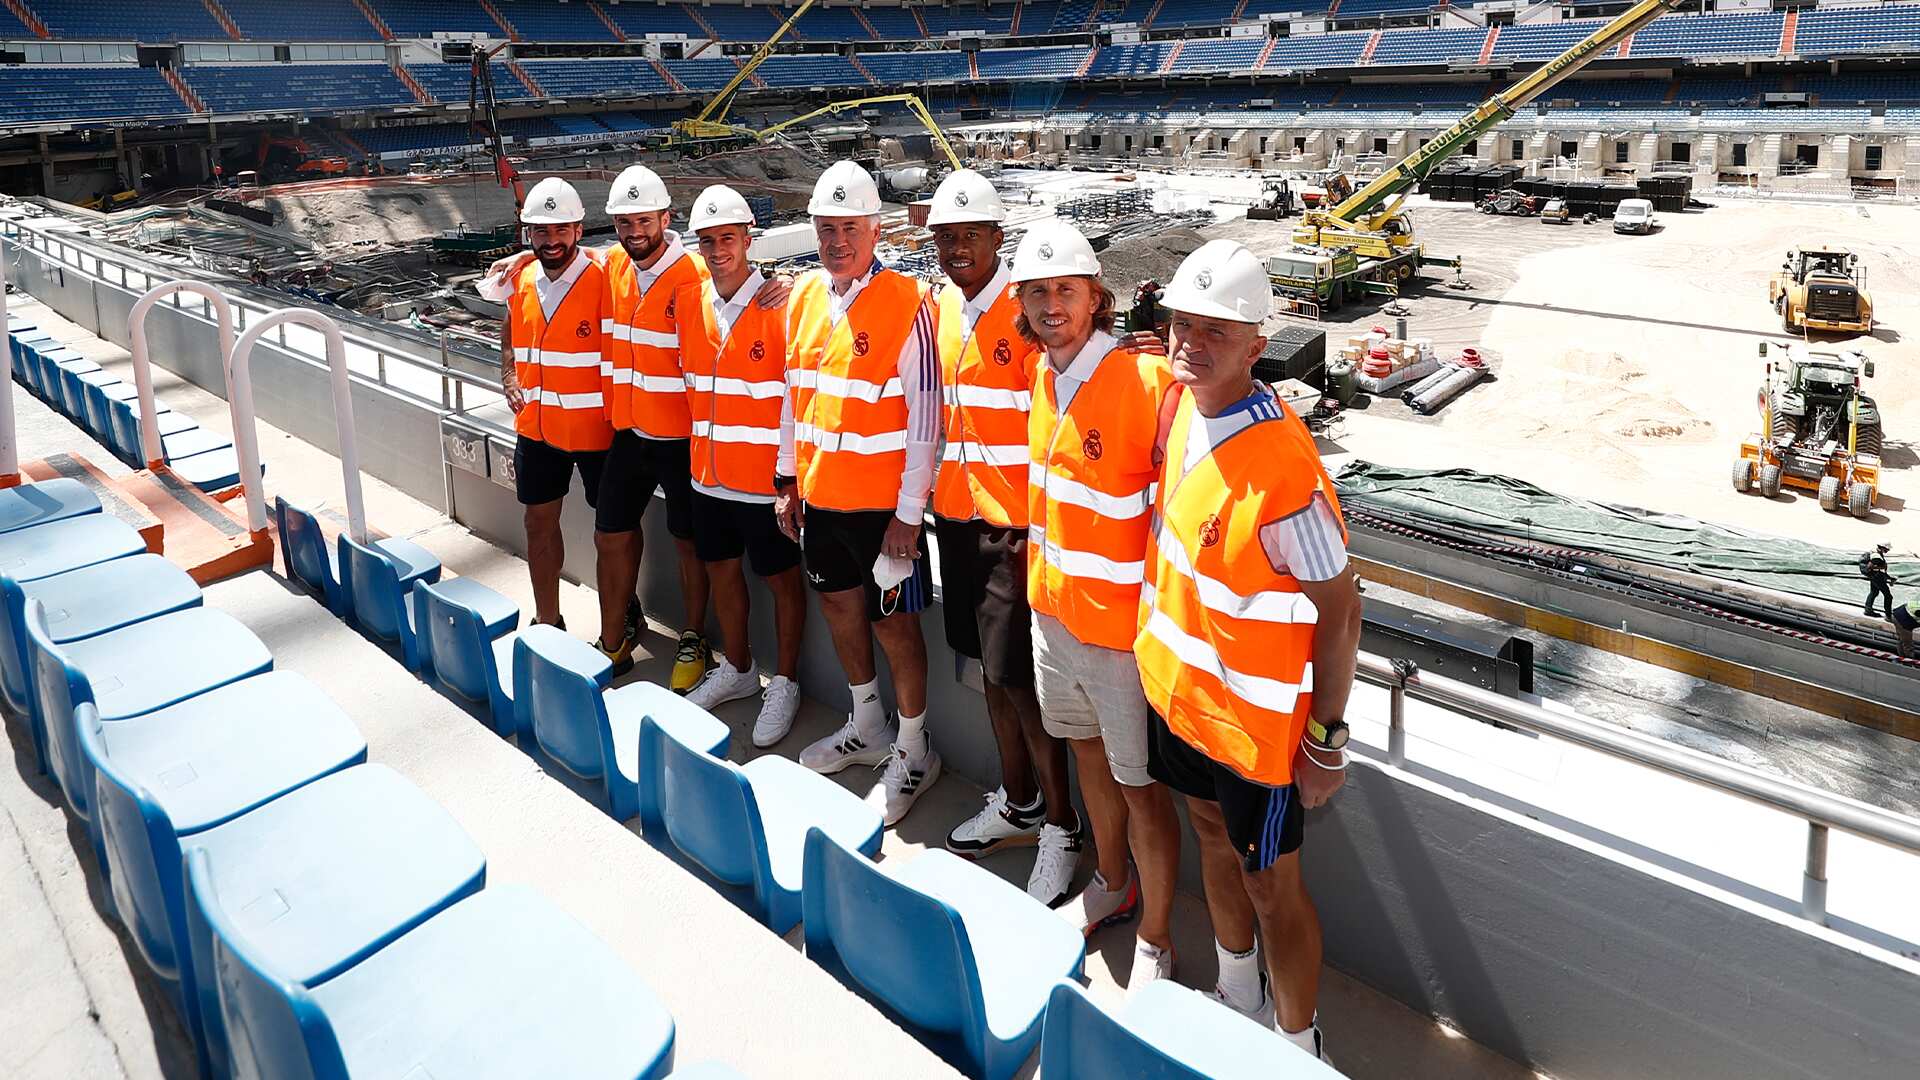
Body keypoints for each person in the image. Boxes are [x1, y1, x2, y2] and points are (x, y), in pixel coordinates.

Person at [1135, 239, 1364, 1064]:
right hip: (1184, 704)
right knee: (1207, 837)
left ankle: (1297, 1044)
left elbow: (1339, 612)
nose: (1189, 343)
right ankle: (1238, 990)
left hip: (1258, 735)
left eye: (1216, 331)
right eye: (1180, 324)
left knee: (1274, 888)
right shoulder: (1178, 407)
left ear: (1256, 346)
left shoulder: (1283, 470)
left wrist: (1327, 743)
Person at [1017, 219, 1185, 993]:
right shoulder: (1042, 380)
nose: (1052, 305)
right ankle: (1110, 881)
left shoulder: (1146, 385)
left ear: (1096, 299)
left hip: (1119, 637)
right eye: (1038, 291)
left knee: (1141, 788)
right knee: (1088, 758)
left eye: (1066, 290)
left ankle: (1155, 934)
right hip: (1053, 619)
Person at [777, 160, 943, 826]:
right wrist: (788, 480)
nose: (837, 241)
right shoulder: (804, 298)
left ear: (876, 230)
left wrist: (908, 513)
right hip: (823, 504)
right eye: (826, 228)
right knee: (842, 612)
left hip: (884, 516)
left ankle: (913, 749)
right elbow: (796, 398)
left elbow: (926, 415)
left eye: (850, 227)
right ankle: (867, 724)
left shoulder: (909, 303)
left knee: (896, 630)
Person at [924, 171, 1077, 867]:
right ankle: (1019, 803)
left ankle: (1061, 826)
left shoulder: (1027, 317)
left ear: (997, 239)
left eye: (970, 236)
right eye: (945, 237)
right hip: (957, 524)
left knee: (1019, 681)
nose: (957, 248)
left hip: (1015, 534)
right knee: (990, 672)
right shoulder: (943, 310)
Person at [676, 185, 806, 746]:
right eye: (707, 240)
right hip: (708, 477)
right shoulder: (691, 301)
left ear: (748, 239)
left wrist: (787, 478)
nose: (717, 249)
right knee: (721, 572)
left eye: (727, 237)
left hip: (763, 482)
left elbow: (790, 400)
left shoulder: (782, 305)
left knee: (781, 582)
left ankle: (787, 682)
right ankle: (739, 666)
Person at [479, 177, 611, 629]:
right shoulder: (522, 278)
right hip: (538, 428)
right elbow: (511, 327)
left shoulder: (605, 277)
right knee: (538, 523)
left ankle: (621, 616)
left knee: (612, 535)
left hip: (597, 429)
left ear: (579, 230)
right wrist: (508, 372)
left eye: (560, 231)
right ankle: (547, 618)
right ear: (527, 233)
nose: (551, 241)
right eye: (541, 231)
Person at [1863, 542, 1893, 620]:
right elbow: (1869, 567)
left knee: (1874, 592)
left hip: (1874, 576)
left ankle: (1868, 610)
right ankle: (1888, 615)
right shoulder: (1876, 556)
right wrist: (1882, 566)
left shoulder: (1876, 553)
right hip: (1877, 577)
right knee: (1888, 596)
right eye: (1887, 549)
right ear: (1882, 547)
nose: (1888, 550)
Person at [1893, 595, 1917, 659]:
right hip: (1903, 620)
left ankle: (1901, 659)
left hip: (1898, 613)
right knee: (1908, 644)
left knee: (1902, 640)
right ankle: (1909, 663)